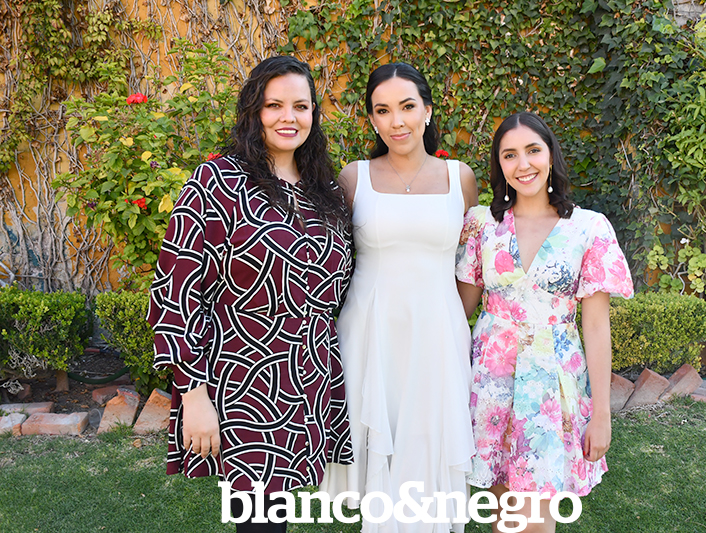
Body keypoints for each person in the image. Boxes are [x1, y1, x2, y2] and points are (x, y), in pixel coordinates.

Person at [147, 56, 354, 533]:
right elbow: (176, 291)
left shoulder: (325, 190)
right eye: (274, 105)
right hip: (244, 379)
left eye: (300, 106)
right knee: (259, 520)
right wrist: (193, 395)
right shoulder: (216, 182)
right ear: (253, 110)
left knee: (276, 515)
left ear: (314, 113)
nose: (288, 117)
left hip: (310, 377)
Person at [319, 62, 479, 533]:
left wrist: (449, 320)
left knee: (430, 438)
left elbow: (471, 265)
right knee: (378, 441)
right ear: (372, 119)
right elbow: (329, 259)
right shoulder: (355, 178)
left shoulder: (460, 178)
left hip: (438, 331)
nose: (397, 121)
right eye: (383, 110)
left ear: (427, 111)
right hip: (371, 332)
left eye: (407, 107)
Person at [455, 112, 634, 533]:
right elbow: (459, 310)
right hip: (490, 382)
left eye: (533, 150)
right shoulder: (482, 224)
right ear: (499, 164)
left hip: (552, 384)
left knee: (533, 520)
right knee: (504, 516)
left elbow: (596, 328)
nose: (523, 164)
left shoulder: (588, 228)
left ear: (551, 155)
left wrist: (602, 414)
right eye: (509, 155)